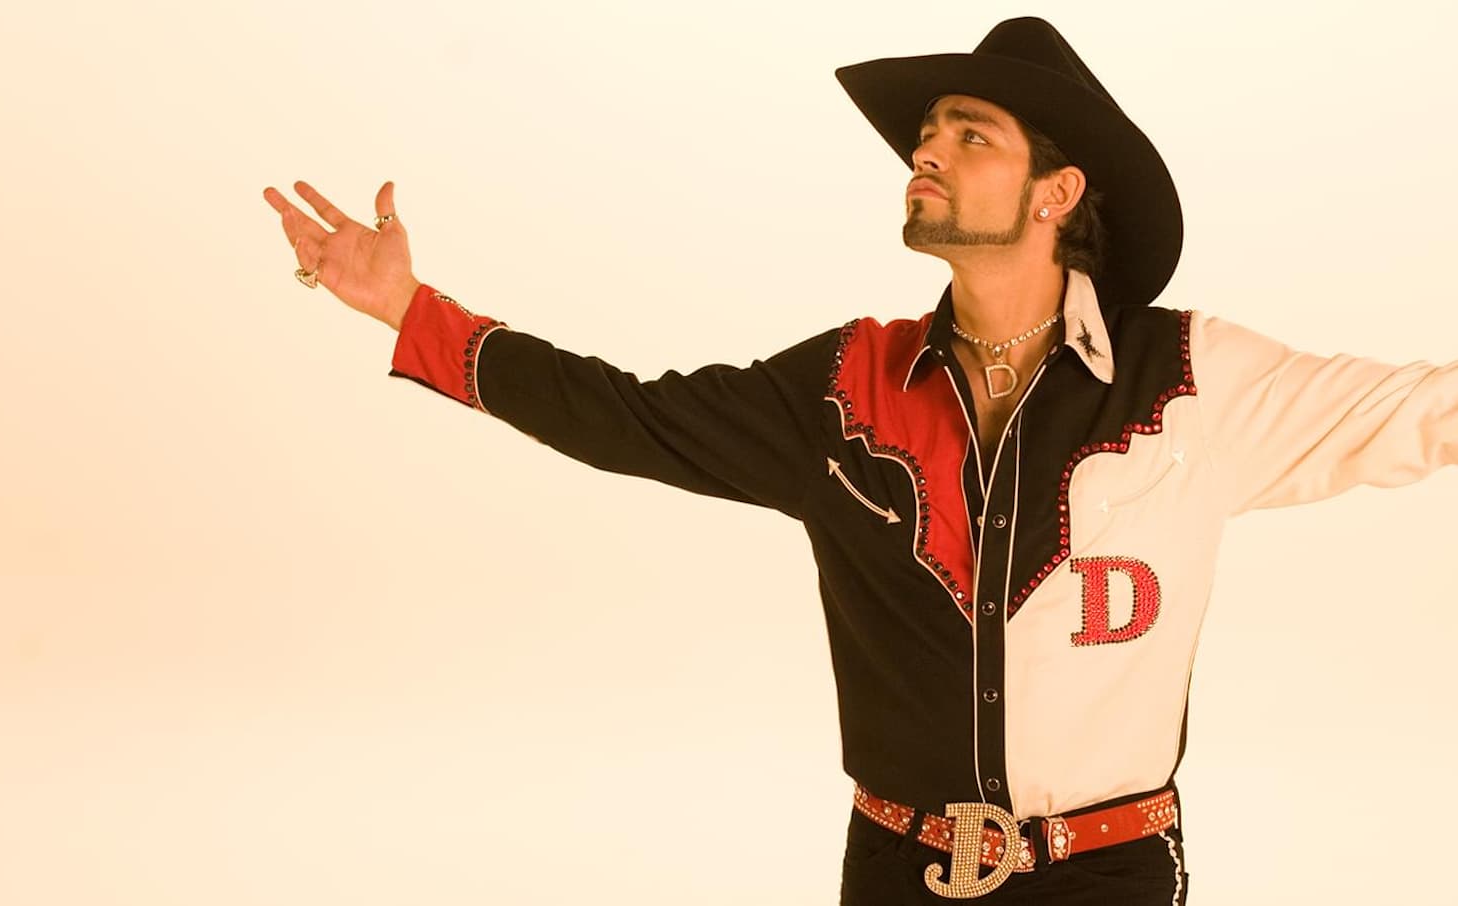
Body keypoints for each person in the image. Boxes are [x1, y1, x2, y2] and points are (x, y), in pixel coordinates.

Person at [261, 16, 1457, 905]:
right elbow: (625, 415)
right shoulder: (843, 388)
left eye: (969, 136)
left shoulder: (1195, 379)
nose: (926, 154)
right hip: (896, 872)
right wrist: (412, 308)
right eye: (926, 136)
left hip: (1111, 874)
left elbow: (1417, 410)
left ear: (1058, 191)